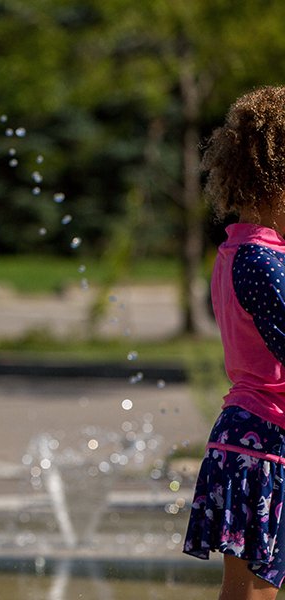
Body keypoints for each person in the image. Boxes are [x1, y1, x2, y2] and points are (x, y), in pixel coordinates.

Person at [184, 85, 285, 600]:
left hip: (258, 439)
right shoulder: (259, 261)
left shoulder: (241, 250)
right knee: (252, 595)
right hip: (262, 446)